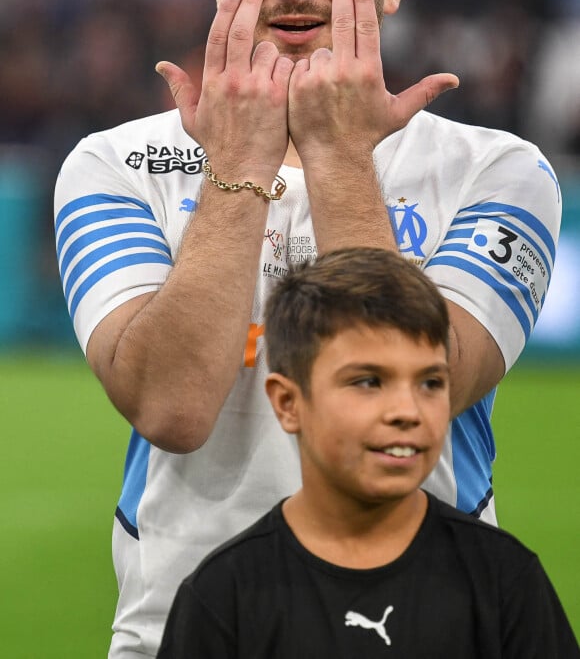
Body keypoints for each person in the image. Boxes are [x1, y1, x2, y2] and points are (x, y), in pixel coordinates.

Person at [53, 0, 562, 659]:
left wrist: (333, 153)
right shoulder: (115, 164)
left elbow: (430, 378)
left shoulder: (500, 173)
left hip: (431, 628)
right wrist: (241, 167)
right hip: (184, 624)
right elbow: (173, 408)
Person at [157, 247, 578, 658]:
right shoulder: (223, 593)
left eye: (431, 382)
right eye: (368, 382)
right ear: (288, 403)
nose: (407, 412)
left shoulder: (504, 579)